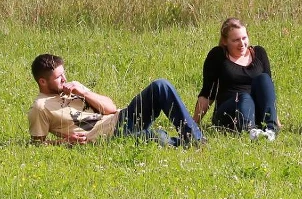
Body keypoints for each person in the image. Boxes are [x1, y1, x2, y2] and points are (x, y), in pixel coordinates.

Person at [27, 53, 205, 147]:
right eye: (59, 77)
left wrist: (83, 92)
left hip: (120, 119)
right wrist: (66, 142)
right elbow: (38, 145)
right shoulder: (40, 107)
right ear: (42, 81)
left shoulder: (74, 88)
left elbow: (111, 108)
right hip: (105, 138)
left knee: (161, 86)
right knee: (154, 137)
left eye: (64, 73)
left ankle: (195, 139)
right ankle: (178, 143)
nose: (65, 79)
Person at [193, 17, 279, 140]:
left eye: (244, 38)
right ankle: (250, 132)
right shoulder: (218, 56)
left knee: (264, 79)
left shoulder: (259, 53)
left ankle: (270, 130)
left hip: (256, 112)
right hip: (230, 112)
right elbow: (208, 93)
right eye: (235, 40)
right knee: (243, 97)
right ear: (224, 41)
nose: (242, 43)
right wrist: (194, 123)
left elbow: (268, 93)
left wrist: (275, 119)